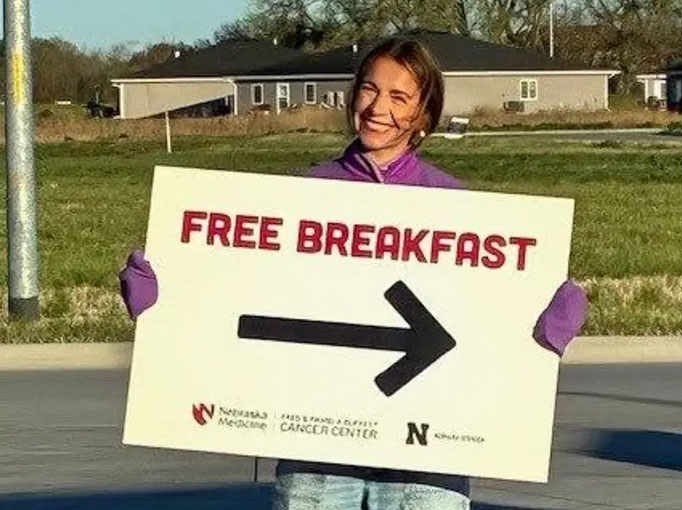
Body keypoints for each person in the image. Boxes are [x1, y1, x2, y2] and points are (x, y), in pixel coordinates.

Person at [119, 36, 587, 510]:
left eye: (399, 96)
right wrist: (168, 295)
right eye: (369, 89)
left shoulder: (460, 209)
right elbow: (239, 296)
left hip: (428, 459)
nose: (377, 106)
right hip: (317, 456)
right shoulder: (301, 197)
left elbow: (497, 319)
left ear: (424, 115)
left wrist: (550, 316)